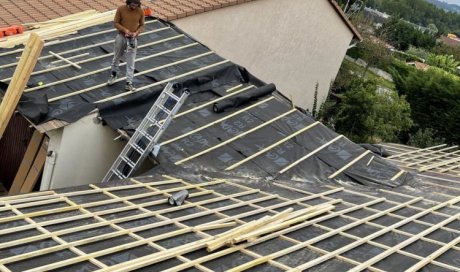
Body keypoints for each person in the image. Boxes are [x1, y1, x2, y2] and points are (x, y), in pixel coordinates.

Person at [107, 0, 145, 92]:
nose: (134, 7)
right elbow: (116, 23)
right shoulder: (121, 9)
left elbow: (142, 26)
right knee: (116, 57)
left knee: (131, 61)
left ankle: (129, 83)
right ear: (128, 3)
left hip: (133, 39)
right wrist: (125, 30)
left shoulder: (140, 11)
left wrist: (136, 33)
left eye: (136, 5)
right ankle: (113, 75)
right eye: (132, 5)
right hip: (121, 37)